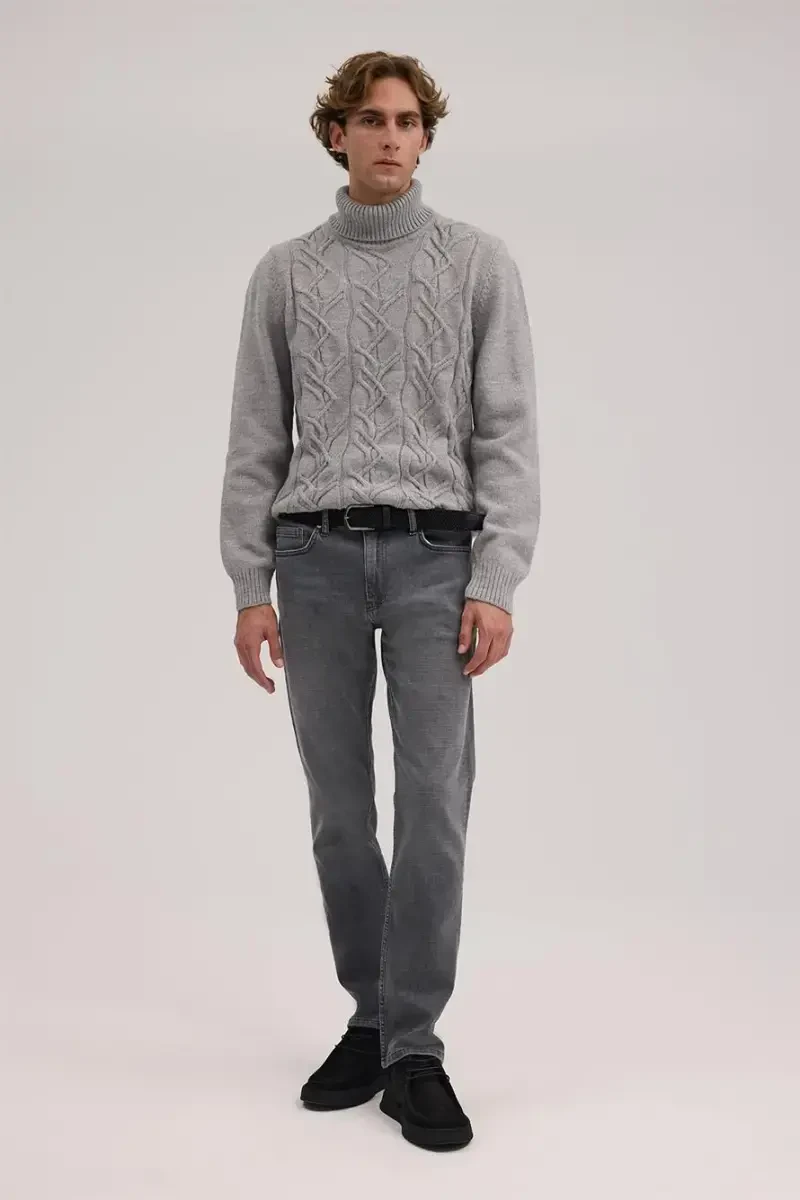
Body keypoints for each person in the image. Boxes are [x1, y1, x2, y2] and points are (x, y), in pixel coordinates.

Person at [219, 49, 541, 1152]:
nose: (390, 136)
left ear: (425, 136)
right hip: (311, 558)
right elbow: (255, 439)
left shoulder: (478, 264)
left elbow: (507, 433)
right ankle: (371, 1018)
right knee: (339, 809)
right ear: (336, 136)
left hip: (435, 560)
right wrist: (248, 585)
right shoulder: (284, 274)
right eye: (369, 119)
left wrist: (496, 578)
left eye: (407, 120)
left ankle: (414, 1047)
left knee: (434, 804)